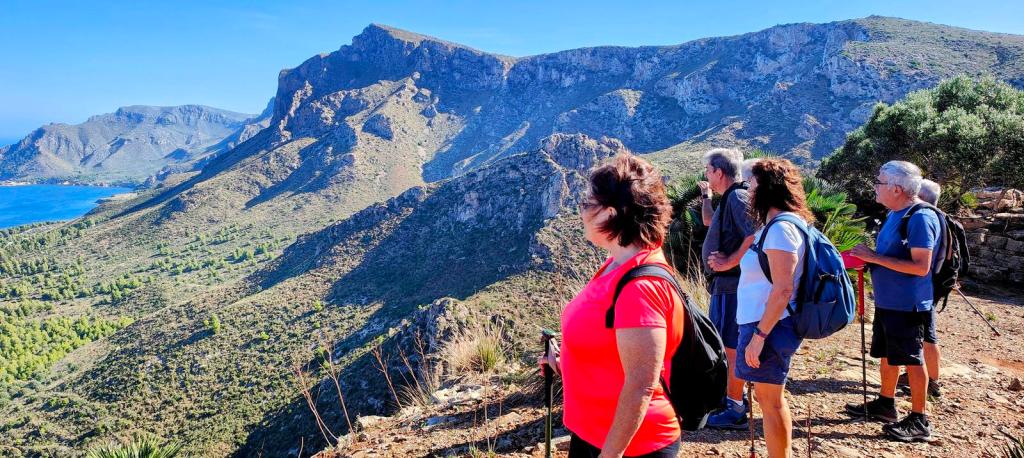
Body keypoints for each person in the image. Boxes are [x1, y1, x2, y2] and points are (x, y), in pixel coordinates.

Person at [541, 152, 684, 457]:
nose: (580, 212)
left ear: (609, 214)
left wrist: (611, 454)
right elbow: (611, 351)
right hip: (594, 433)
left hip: (630, 445)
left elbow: (640, 386)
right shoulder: (616, 265)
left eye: (585, 204)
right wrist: (565, 363)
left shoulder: (641, 288)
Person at [845, 161, 941, 442]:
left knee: (911, 359)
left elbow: (921, 266)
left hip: (907, 304)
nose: (875, 187)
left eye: (880, 182)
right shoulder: (895, 214)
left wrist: (873, 258)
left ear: (897, 189)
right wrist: (868, 260)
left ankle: (919, 419)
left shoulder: (920, 218)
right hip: (889, 301)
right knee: (889, 355)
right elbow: (892, 256)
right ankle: (885, 404)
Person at [734, 158, 811, 457]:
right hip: (765, 323)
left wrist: (759, 336)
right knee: (769, 398)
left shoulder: (781, 230)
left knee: (771, 400)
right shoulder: (780, 226)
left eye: (752, 183)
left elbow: (783, 289)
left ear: (766, 188)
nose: (748, 189)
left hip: (770, 326)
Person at [697, 148, 757, 430]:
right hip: (726, 287)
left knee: (732, 348)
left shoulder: (738, 196)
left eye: (709, 171)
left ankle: (735, 408)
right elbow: (709, 221)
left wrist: (729, 261)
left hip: (734, 287)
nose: (707, 175)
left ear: (719, 172)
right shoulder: (729, 198)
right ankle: (729, 398)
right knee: (726, 344)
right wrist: (706, 196)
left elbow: (755, 235)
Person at [896, 179, 943, 398]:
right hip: (928, 286)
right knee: (926, 336)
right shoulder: (935, 217)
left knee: (927, 337)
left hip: (922, 289)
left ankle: (931, 383)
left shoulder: (923, 218)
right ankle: (927, 379)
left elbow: (921, 264)